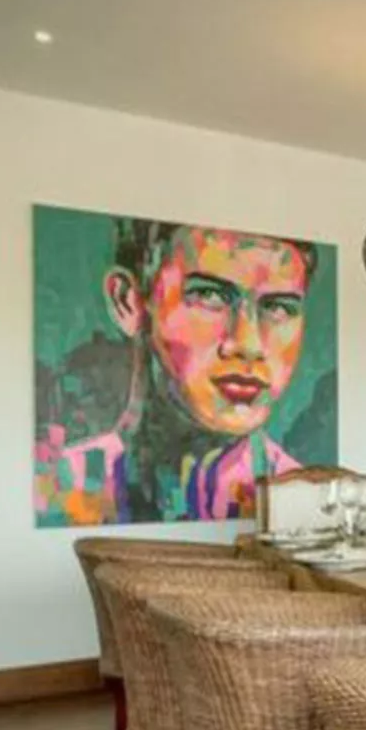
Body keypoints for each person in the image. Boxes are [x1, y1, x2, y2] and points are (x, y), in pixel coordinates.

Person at [34, 219, 315, 525]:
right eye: (209, 295)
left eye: (280, 308)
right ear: (128, 301)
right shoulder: (54, 495)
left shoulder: (311, 507)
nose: (249, 345)